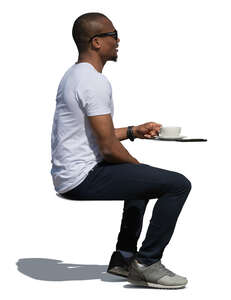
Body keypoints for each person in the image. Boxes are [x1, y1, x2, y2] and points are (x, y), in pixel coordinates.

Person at [50, 12, 192, 289]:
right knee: (177, 184)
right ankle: (148, 263)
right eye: (113, 35)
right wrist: (138, 166)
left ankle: (123, 258)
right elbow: (107, 147)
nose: (118, 41)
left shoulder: (74, 75)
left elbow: (92, 135)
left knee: (141, 181)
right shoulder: (93, 81)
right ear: (96, 43)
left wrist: (132, 131)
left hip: (71, 173)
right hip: (81, 177)